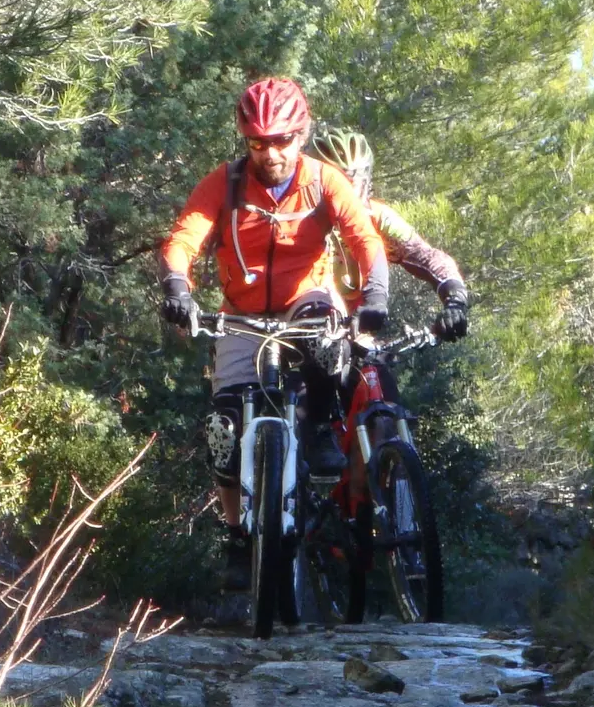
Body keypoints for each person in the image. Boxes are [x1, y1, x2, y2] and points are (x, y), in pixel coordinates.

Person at [158, 78, 390, 591]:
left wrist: (375, 295)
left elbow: (365, 239)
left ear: (301, 135)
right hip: (241, 313)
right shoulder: (225, 183)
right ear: (246, 141)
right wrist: (177, 285)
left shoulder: (326, 181)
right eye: (258, 143)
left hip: (304, 300)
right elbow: (184, 238)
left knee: (322, 340)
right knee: (223, 428)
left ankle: (324, 433)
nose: (271, 153)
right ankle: (240, 536)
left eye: (282, 140)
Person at [307, 125, 469, 343]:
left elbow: (426, 256)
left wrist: (455, 301)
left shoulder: (376, 217)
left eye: (357, 182)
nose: (349, 194)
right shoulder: (298, 221)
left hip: (357, 332)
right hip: (303, 329)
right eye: (340, 183)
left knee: (378, 376)